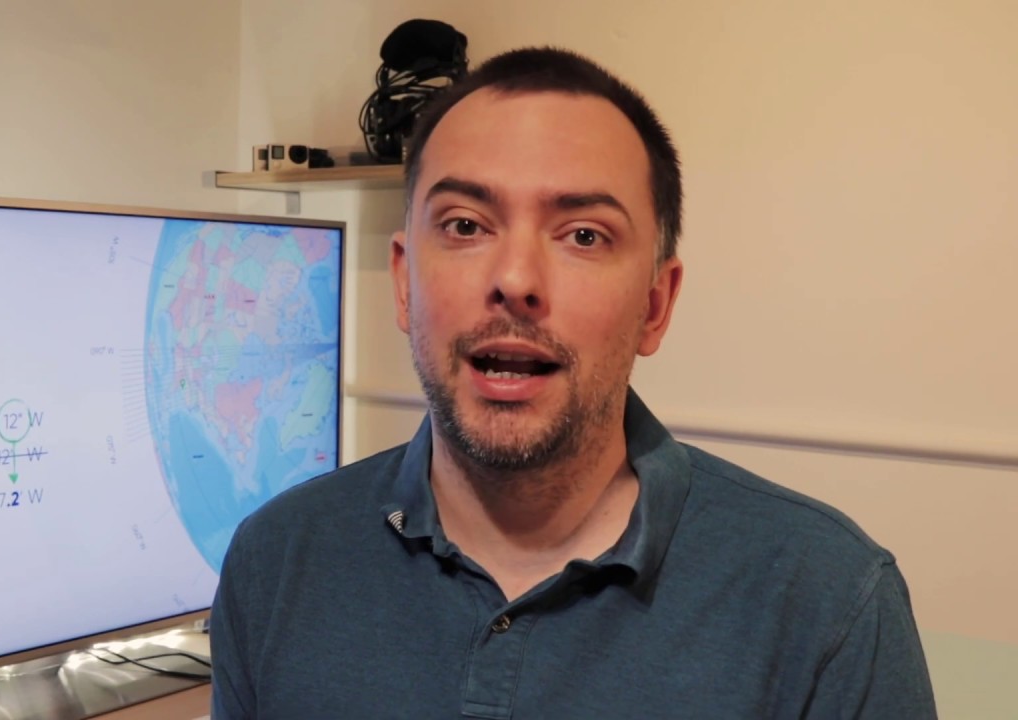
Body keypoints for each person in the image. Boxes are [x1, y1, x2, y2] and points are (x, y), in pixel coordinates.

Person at [209, 46, 937, 719]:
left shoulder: (829, 603)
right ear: (404, 284)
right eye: (465, 225)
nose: (515, 278)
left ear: (655, 305)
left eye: (584, 235)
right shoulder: (275, 562)